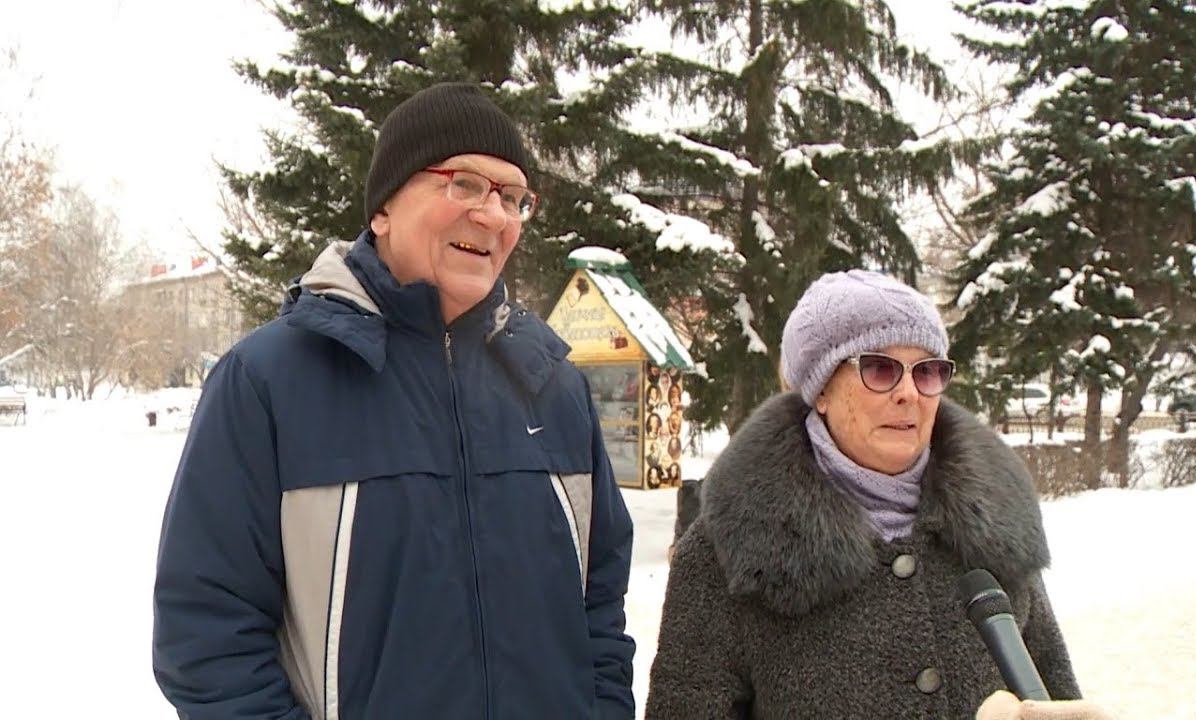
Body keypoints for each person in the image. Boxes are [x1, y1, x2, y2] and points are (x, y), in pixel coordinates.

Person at [153, 82, 636, 719]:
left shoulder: (552, 387)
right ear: (383, 209)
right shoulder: (269, 382)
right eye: (464, 183)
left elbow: (598, 609)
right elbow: (207, 639)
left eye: (514, 198)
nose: (494, 216)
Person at [646, 270, 1100, 719]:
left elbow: (1054, 687)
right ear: (820, 391)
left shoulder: (996, 527)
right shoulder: (728, 552)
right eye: (880, 368)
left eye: (927, 372)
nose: (908, 394)